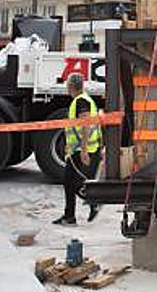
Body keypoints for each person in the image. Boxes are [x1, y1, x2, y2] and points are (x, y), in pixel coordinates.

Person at [54, 72, 101, 226]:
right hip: (79, 148)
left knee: (71, 182)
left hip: (81, 149)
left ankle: (90, 203)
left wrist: (84, 150)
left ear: (70, 86)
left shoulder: (81, 101)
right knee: (71, 182)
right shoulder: (84, 99)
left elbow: (85, 125)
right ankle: (72, 215)